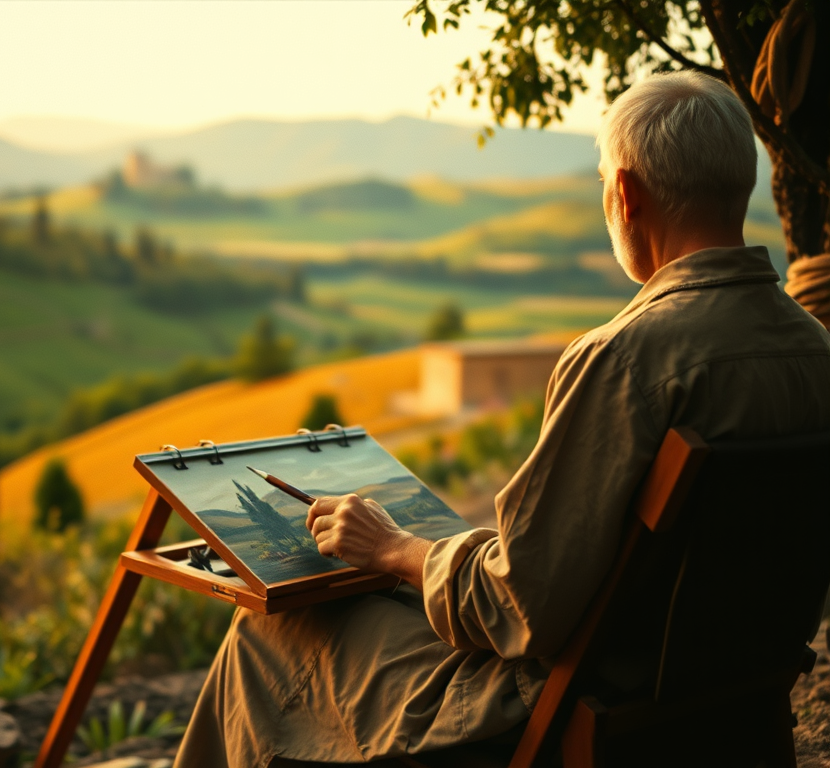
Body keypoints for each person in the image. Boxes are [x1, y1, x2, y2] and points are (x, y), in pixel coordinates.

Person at [173, 71, 830, 768]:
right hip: (723, 695)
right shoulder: (817, 352)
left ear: (626, 195)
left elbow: (520, 608)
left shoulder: (627, 361)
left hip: (562, 705)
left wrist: (395, 548)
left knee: (268, 636)